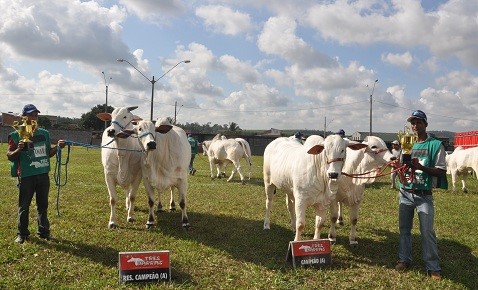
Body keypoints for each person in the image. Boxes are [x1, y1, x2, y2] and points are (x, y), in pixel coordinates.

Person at [394, 110, 447, 280]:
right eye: (413, 123)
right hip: (405, 192)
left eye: (419, 122)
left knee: (427, 231)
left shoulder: (435, 145)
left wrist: (421, 167)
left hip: (424, 195)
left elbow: (440, 171)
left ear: (426, 124)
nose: (415, 126)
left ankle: (433, 267)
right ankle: (404, 259)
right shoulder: (406, 144)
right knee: (404, 230)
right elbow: (403, 165)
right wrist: (398, 165)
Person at [7, 104, 66, 244]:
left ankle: (44, 232)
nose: (34, 117)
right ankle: (22, 234)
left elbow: (47, 153)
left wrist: (57, 147)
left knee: (43, 205)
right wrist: (19, 150)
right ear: (23, 117)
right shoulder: (16, 134)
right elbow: (9, 155)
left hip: (43, 174)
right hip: (26, 175)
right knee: (24, 206)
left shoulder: (44, 133)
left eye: (36, 115)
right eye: (31, 115)